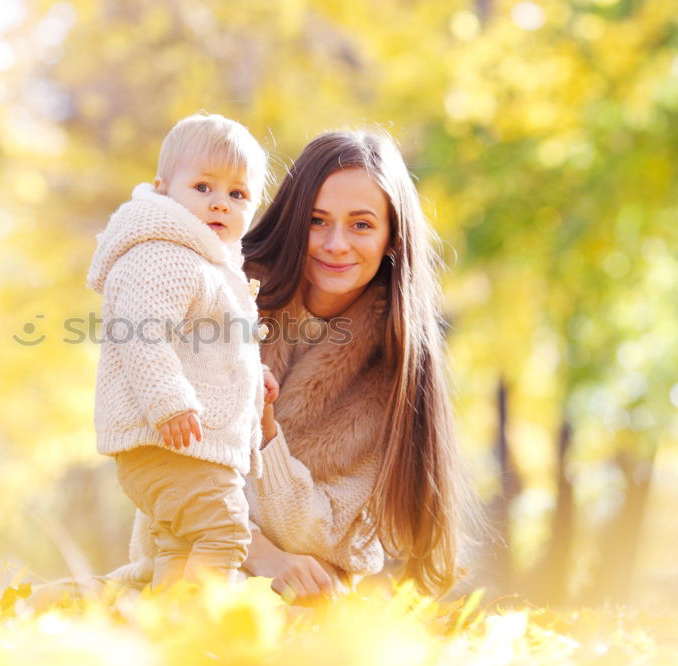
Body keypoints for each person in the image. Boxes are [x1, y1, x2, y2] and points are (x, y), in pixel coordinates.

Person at [115, 127, 478, 601]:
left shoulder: (396, 370)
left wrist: (265, 433)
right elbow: (170, 470)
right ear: (293, 221)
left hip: (309, 597)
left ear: (392, 236)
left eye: (362, 225)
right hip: (185, 567)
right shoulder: (218, 297)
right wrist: (261, 551)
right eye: (317, 220)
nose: (335, 244)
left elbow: (328, 533)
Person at [85, 112, 279, 589]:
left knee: (181, 551)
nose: (219, 204)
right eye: (203, 187)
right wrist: (168, 401)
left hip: (186, 445)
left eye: (237, 194)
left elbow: (207, 348)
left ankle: (170, 632)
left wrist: (256, 380)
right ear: (164, 187)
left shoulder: (208, 264)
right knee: (226, 533)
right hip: (169, 440)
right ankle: (199, 639)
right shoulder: (163, 252)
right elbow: (139, 332)